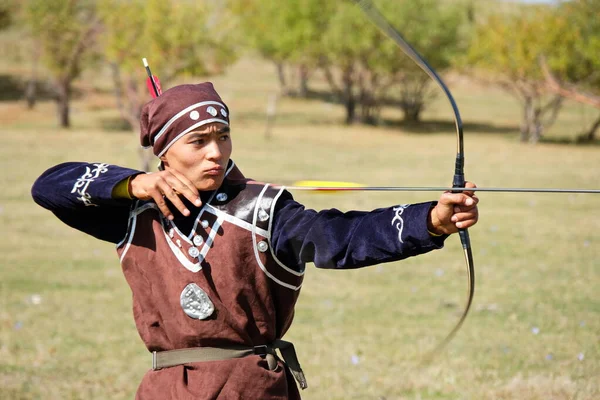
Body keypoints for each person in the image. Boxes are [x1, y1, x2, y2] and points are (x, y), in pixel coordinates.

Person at [31, 82, 479, 400]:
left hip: (253, 388)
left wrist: (432, 221)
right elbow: (49, 186)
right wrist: (133, 185)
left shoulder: (266, 210)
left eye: (223, 137)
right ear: (163, 153)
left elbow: (340, 237)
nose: (215, 152)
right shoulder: (134, 211)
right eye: (198, 141)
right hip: (168, 389)